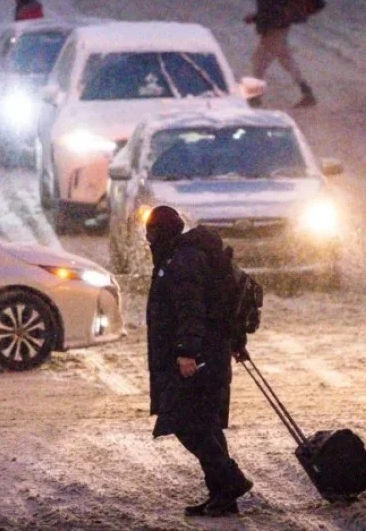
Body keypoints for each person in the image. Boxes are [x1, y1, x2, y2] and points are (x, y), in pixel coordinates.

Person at [145, 205, 253, 518]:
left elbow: (191, 310)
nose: (148, 238)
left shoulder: (183, 261)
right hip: (209, 352)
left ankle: (231, 481)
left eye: (151, 232)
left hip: (199, 357)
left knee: (186, 421)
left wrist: (186, 352)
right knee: (204, 423)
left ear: (160, 233)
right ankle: (222, 494)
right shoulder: (180, 256)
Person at [234, 0, 316, 108]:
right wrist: (257, 17)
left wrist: (256, 18)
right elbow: (273, 8)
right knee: (286, 60)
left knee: (258, 62)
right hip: (281, 26)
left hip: (275, 29)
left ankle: (254, 98)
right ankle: (307, 93)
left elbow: (271, 11)